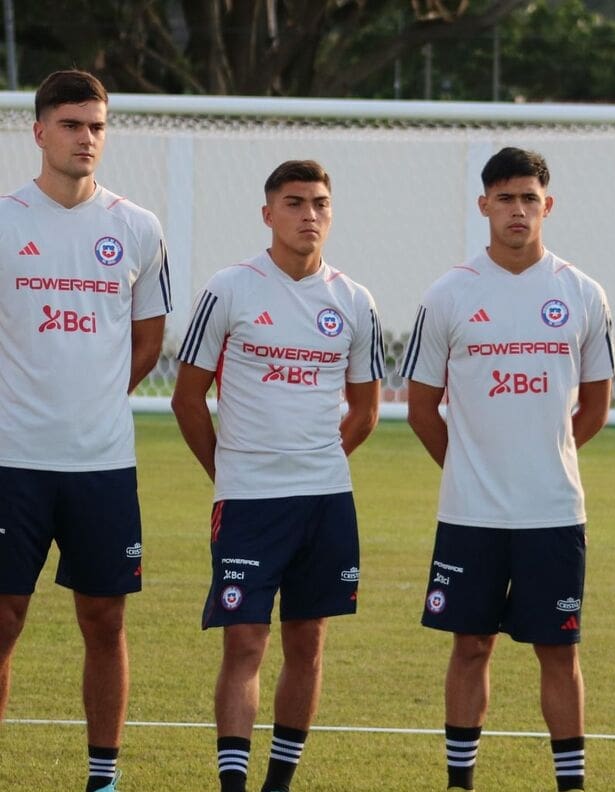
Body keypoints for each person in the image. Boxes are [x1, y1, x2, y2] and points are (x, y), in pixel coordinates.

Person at [401, 146, 614, 792]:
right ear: (484, 206)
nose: (517, 210)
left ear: (547, 205)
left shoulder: (580, 292)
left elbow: (597, 406)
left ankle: (570, 784)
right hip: (471, 514)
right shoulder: (449, 294)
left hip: (553, 512)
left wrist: (542, 456)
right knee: (469, 647)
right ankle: (460, 783)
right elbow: (419, 409)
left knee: (560, 652)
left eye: (529, 198)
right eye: (505, 198)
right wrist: (471, 466)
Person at [172, 160, 383, 792]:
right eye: (294, 203)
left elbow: (367, 409)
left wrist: (318, 462)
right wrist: (228, 470)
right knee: (244, 641)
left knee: (308, 643)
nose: (309, 215)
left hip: (325, 501)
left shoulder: (353, 300)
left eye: (320, 203)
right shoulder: (230, 289)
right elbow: (188, 397)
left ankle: (278, 784)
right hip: (249, 501)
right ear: (268, 215)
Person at [0, 69, 171, 792]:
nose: (86, 138)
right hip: (12, 462)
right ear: (38, 132)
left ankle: (103, 776)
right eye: (71, 124)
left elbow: (148, 339)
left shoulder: (136, 227)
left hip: (102, 465)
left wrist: (95, 399)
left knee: (105, 621)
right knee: (4, 621)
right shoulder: (6, 220)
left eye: (97, 126)